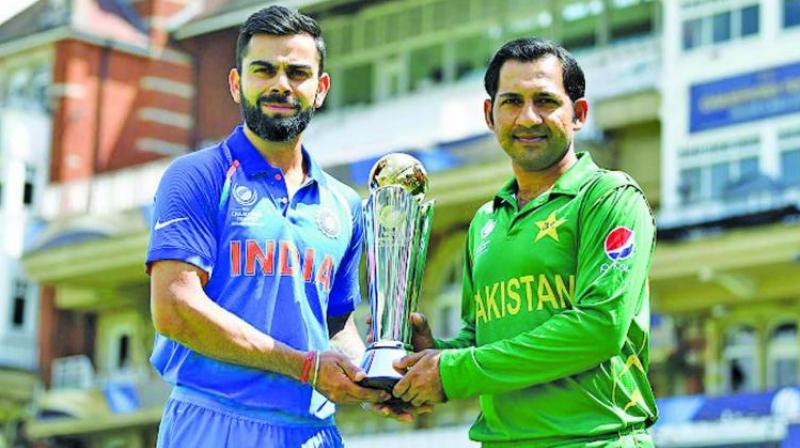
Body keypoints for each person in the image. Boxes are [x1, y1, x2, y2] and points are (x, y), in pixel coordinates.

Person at [389, 37, 659, 446]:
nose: (528, 117)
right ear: (489, 114)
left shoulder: (608, 198)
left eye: (546, 101)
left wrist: (451, 372)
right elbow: (482, 335)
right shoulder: (485, 221)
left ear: (579, 113)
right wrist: (431, 353)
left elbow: (599, 327)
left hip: (596, 440)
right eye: (512, 101)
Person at [146, 5, 388, 448]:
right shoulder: (198, 176)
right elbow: (174, 308)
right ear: (237, 83)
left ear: (321, 89)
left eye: (297, 73)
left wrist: (375, 377)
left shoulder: (345, 204)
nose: (281, 84)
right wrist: (304, 367)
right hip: (213, 421)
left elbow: (335, 326)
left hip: (312, 430)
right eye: (264, 70)